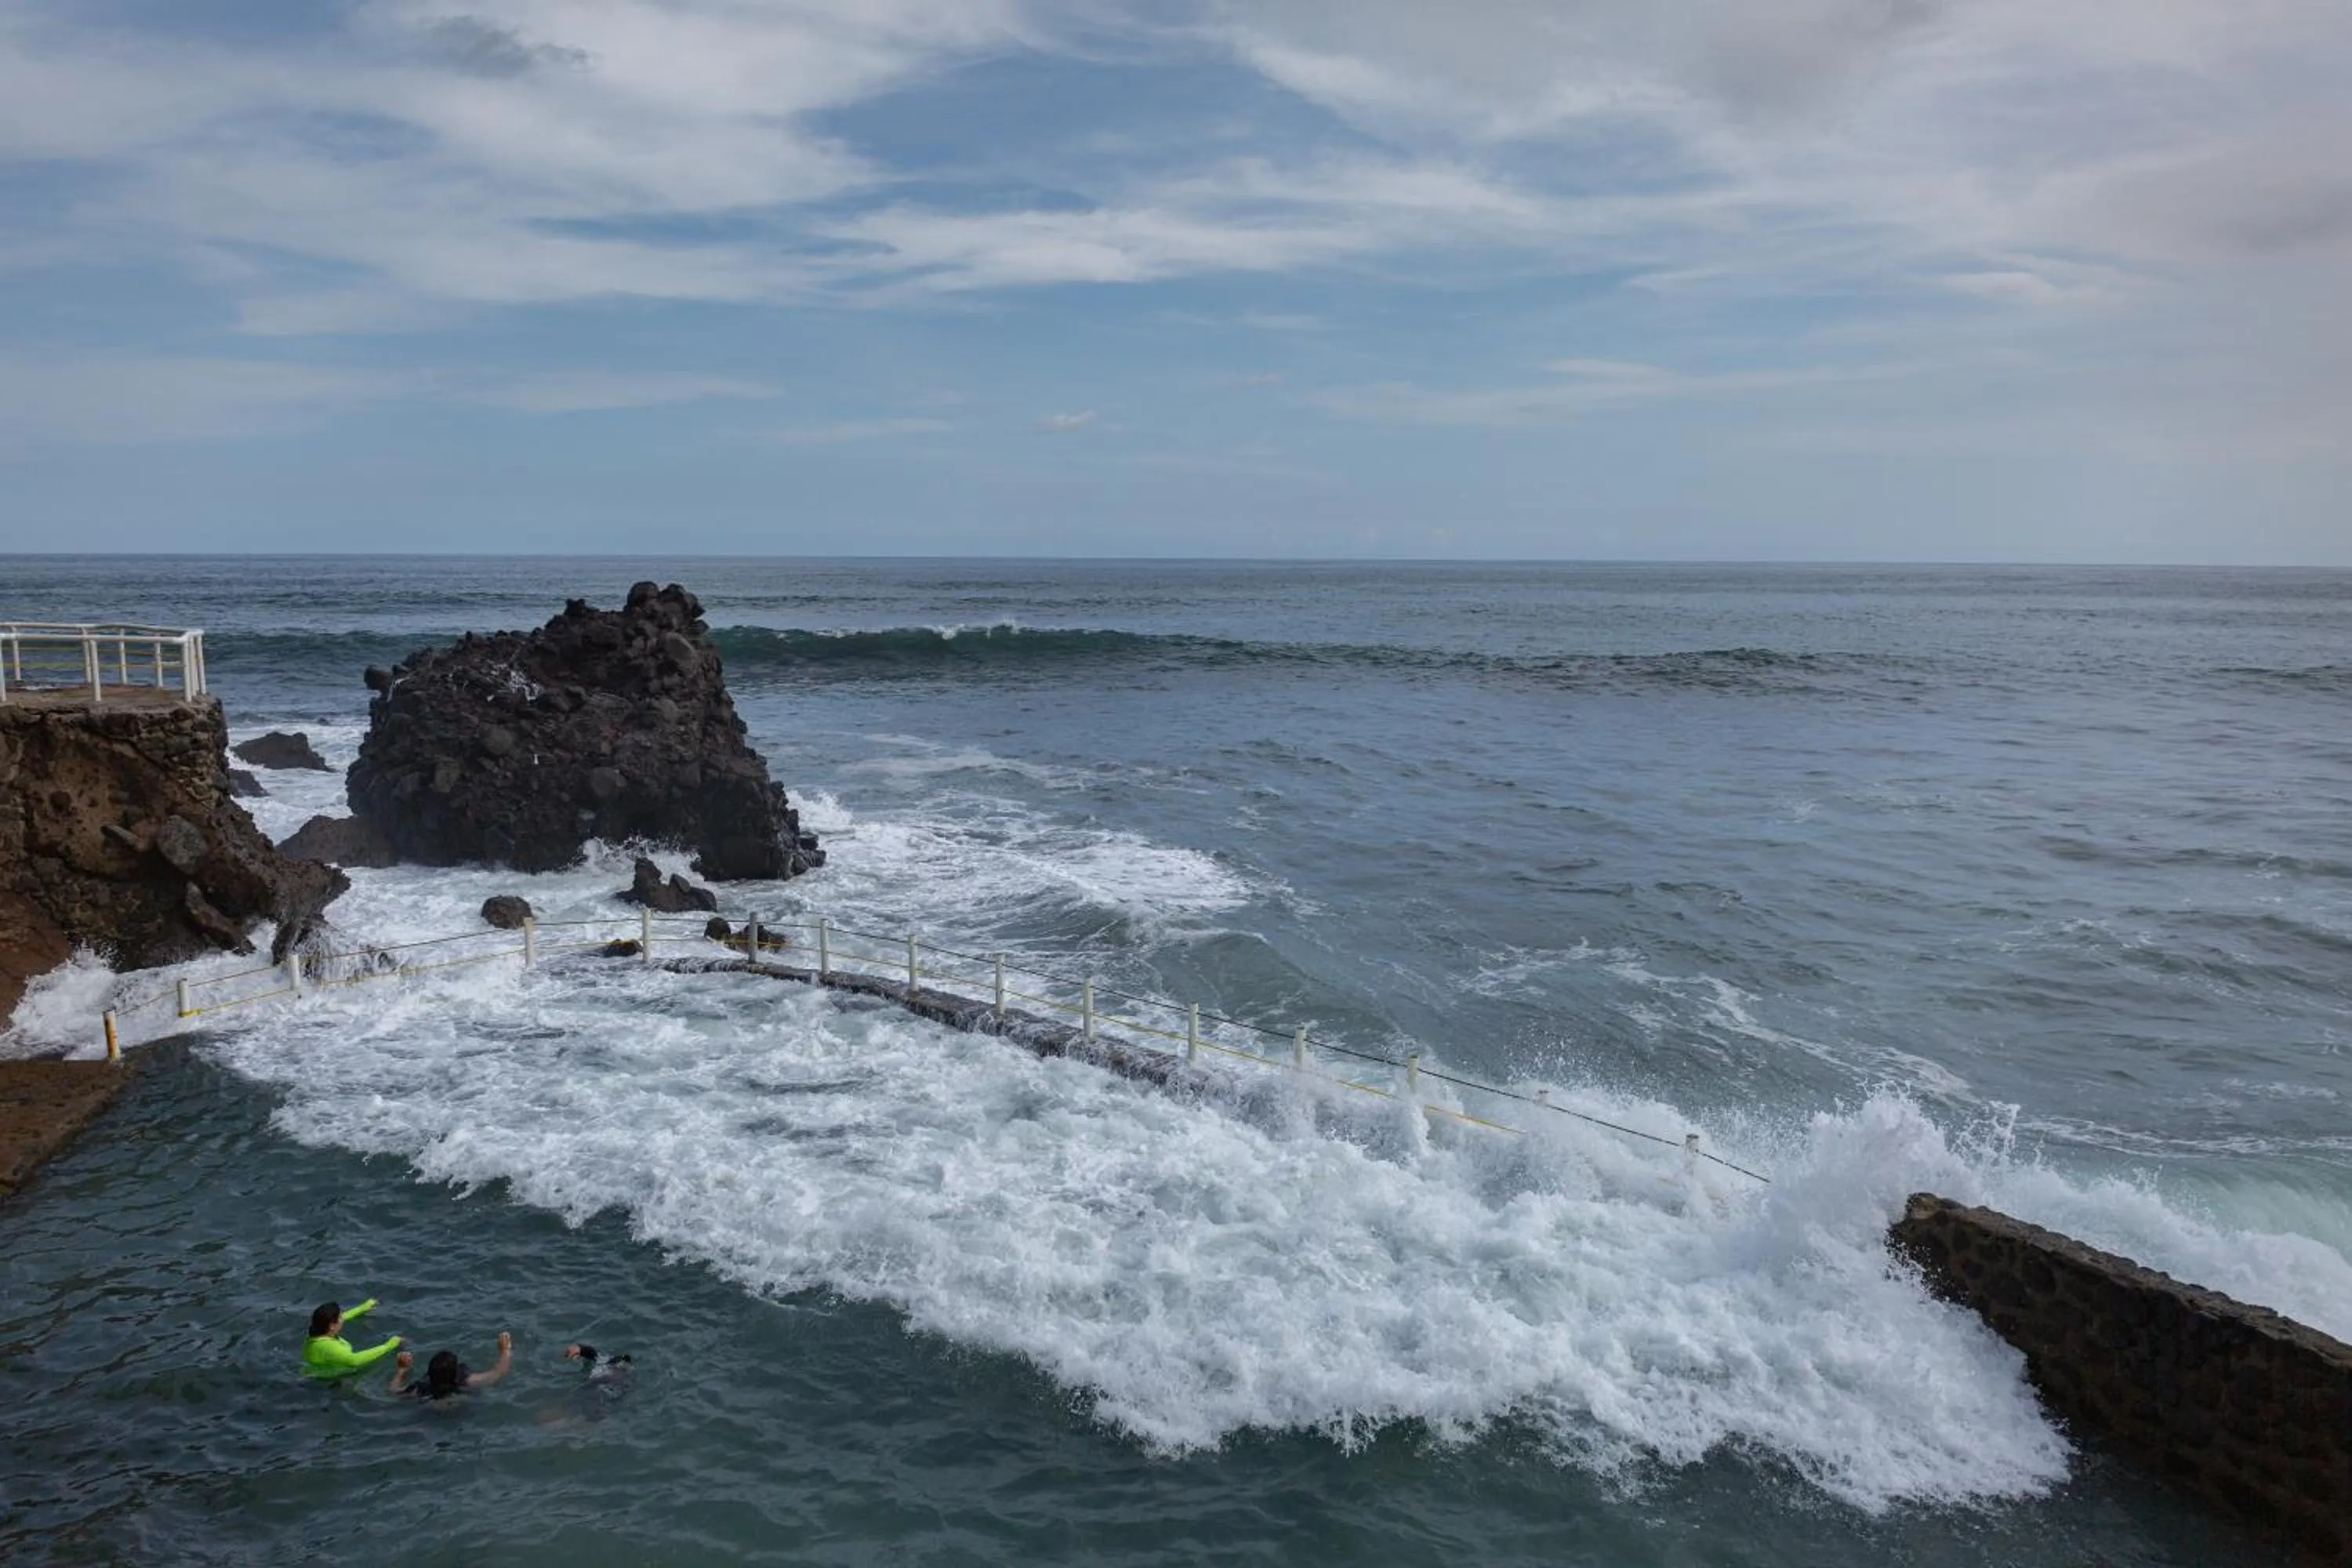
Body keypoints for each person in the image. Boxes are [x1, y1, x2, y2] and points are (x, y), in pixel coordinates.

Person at [390, 1331, 513, 1403]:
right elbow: (499, 1372)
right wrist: (505, 1350)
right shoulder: (466, 1382)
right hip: (460, 1409)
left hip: (430, 1410)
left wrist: (402, 1370)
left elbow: (393, 1390)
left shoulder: (420, 1389)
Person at [302, 1298, 401, 1381]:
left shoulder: (316, 1332)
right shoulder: (330, 1347)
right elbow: (355, 1361)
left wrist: (365, 1307)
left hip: (313, 1370)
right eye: (340, 1317)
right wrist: (389, 1345)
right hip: (329, 1380)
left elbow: (345, 1317)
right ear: (332, 1326)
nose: (343, 1319)